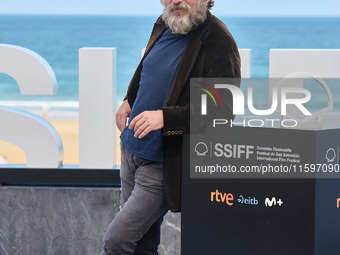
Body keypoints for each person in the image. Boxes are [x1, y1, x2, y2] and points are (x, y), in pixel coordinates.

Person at [100, 0, 240, 254]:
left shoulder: (218, 39)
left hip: (163, 163)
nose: (178, 0)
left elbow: (222, 109)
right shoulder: (164, 23)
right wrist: (128, 99)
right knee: (142, 245)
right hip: (131, 151)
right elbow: (148, 69)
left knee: (117, 242)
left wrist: (166, 118)